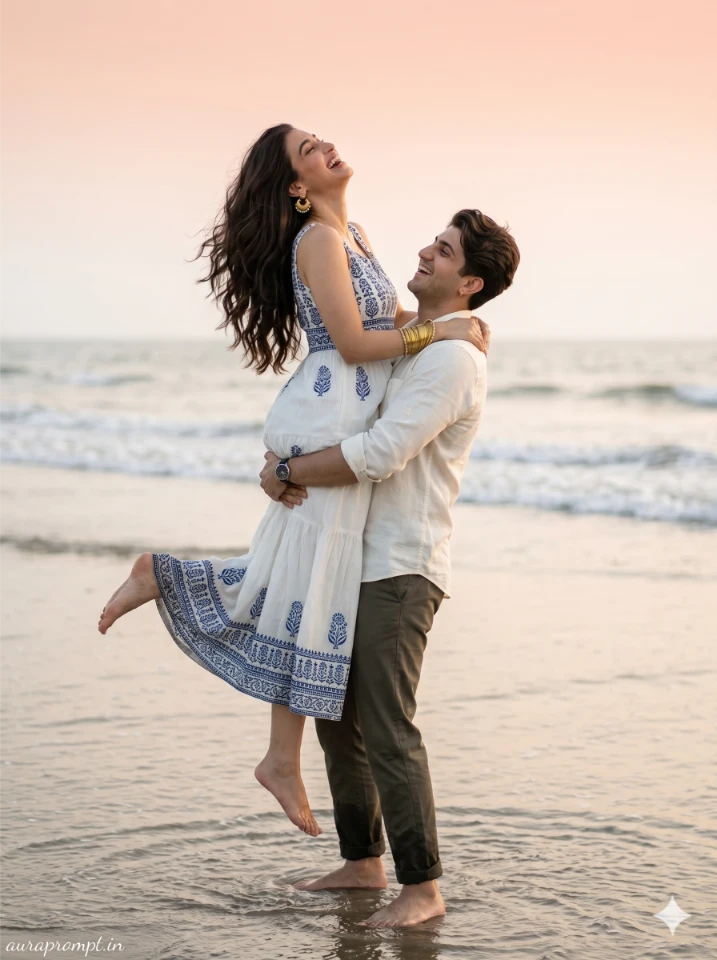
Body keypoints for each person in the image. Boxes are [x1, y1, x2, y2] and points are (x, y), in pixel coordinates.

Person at [96, 124, 487, 840]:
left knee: (299, 584)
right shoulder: (318, 243)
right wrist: (440, 333)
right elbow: (352, 343)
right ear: (298, 190)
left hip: (340, 411)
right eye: (309, 151)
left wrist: (450, 324)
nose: (327, 146)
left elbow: (383, 318)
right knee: (301, 584)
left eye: (318, 138)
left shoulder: (355, 234)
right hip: (328, 408)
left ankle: (278, 753)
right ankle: (170, 585)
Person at [258, 208, 520, 927]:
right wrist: (281, 465)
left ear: (469, 282)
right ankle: (362, 861)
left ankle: (422, 888)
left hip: (401, 568)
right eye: (431, 243)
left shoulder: (452, 361)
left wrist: (286, 468)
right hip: (353, 554)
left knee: (386, 722)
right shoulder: (414, 346)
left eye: (442, 251)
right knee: (336, 715)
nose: (425, 253)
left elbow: (377, 454)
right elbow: (345, 404)